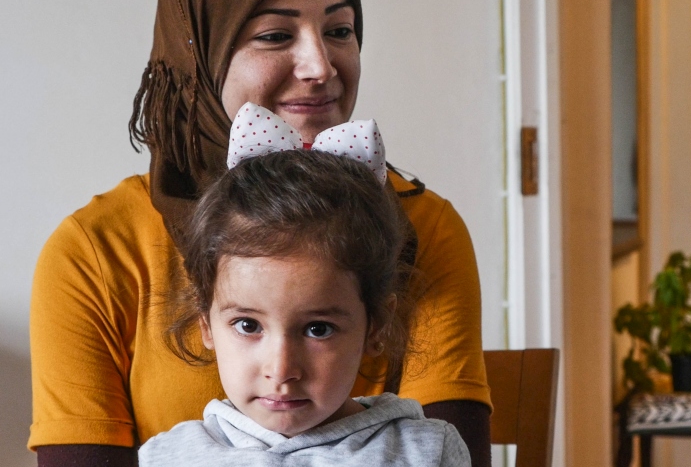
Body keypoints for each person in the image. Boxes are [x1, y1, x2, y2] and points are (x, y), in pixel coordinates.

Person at [29, 0, 491, 465]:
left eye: (340, 30)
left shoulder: (422, 228)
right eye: (275, 36)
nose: (321, 67)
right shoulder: (94, 252)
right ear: (196, 50)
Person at [138, 108, 469, 466]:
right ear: (206, 323)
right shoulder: (169, 457)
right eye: (248, 325)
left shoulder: (424, 452)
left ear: (376, 325)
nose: (281, 369)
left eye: (318, 329)